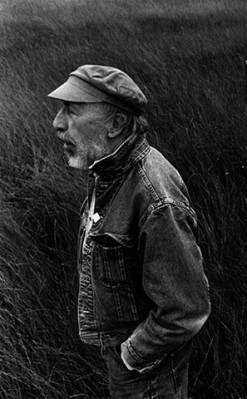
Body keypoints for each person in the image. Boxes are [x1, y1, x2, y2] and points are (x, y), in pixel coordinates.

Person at [48, 65, 210, 398]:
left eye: (72, 110)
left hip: (148, 376)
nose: (58, 123)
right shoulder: (107, 171)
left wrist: (131, 354)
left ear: (116, 124)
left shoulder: (155, 197)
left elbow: (186, 308)